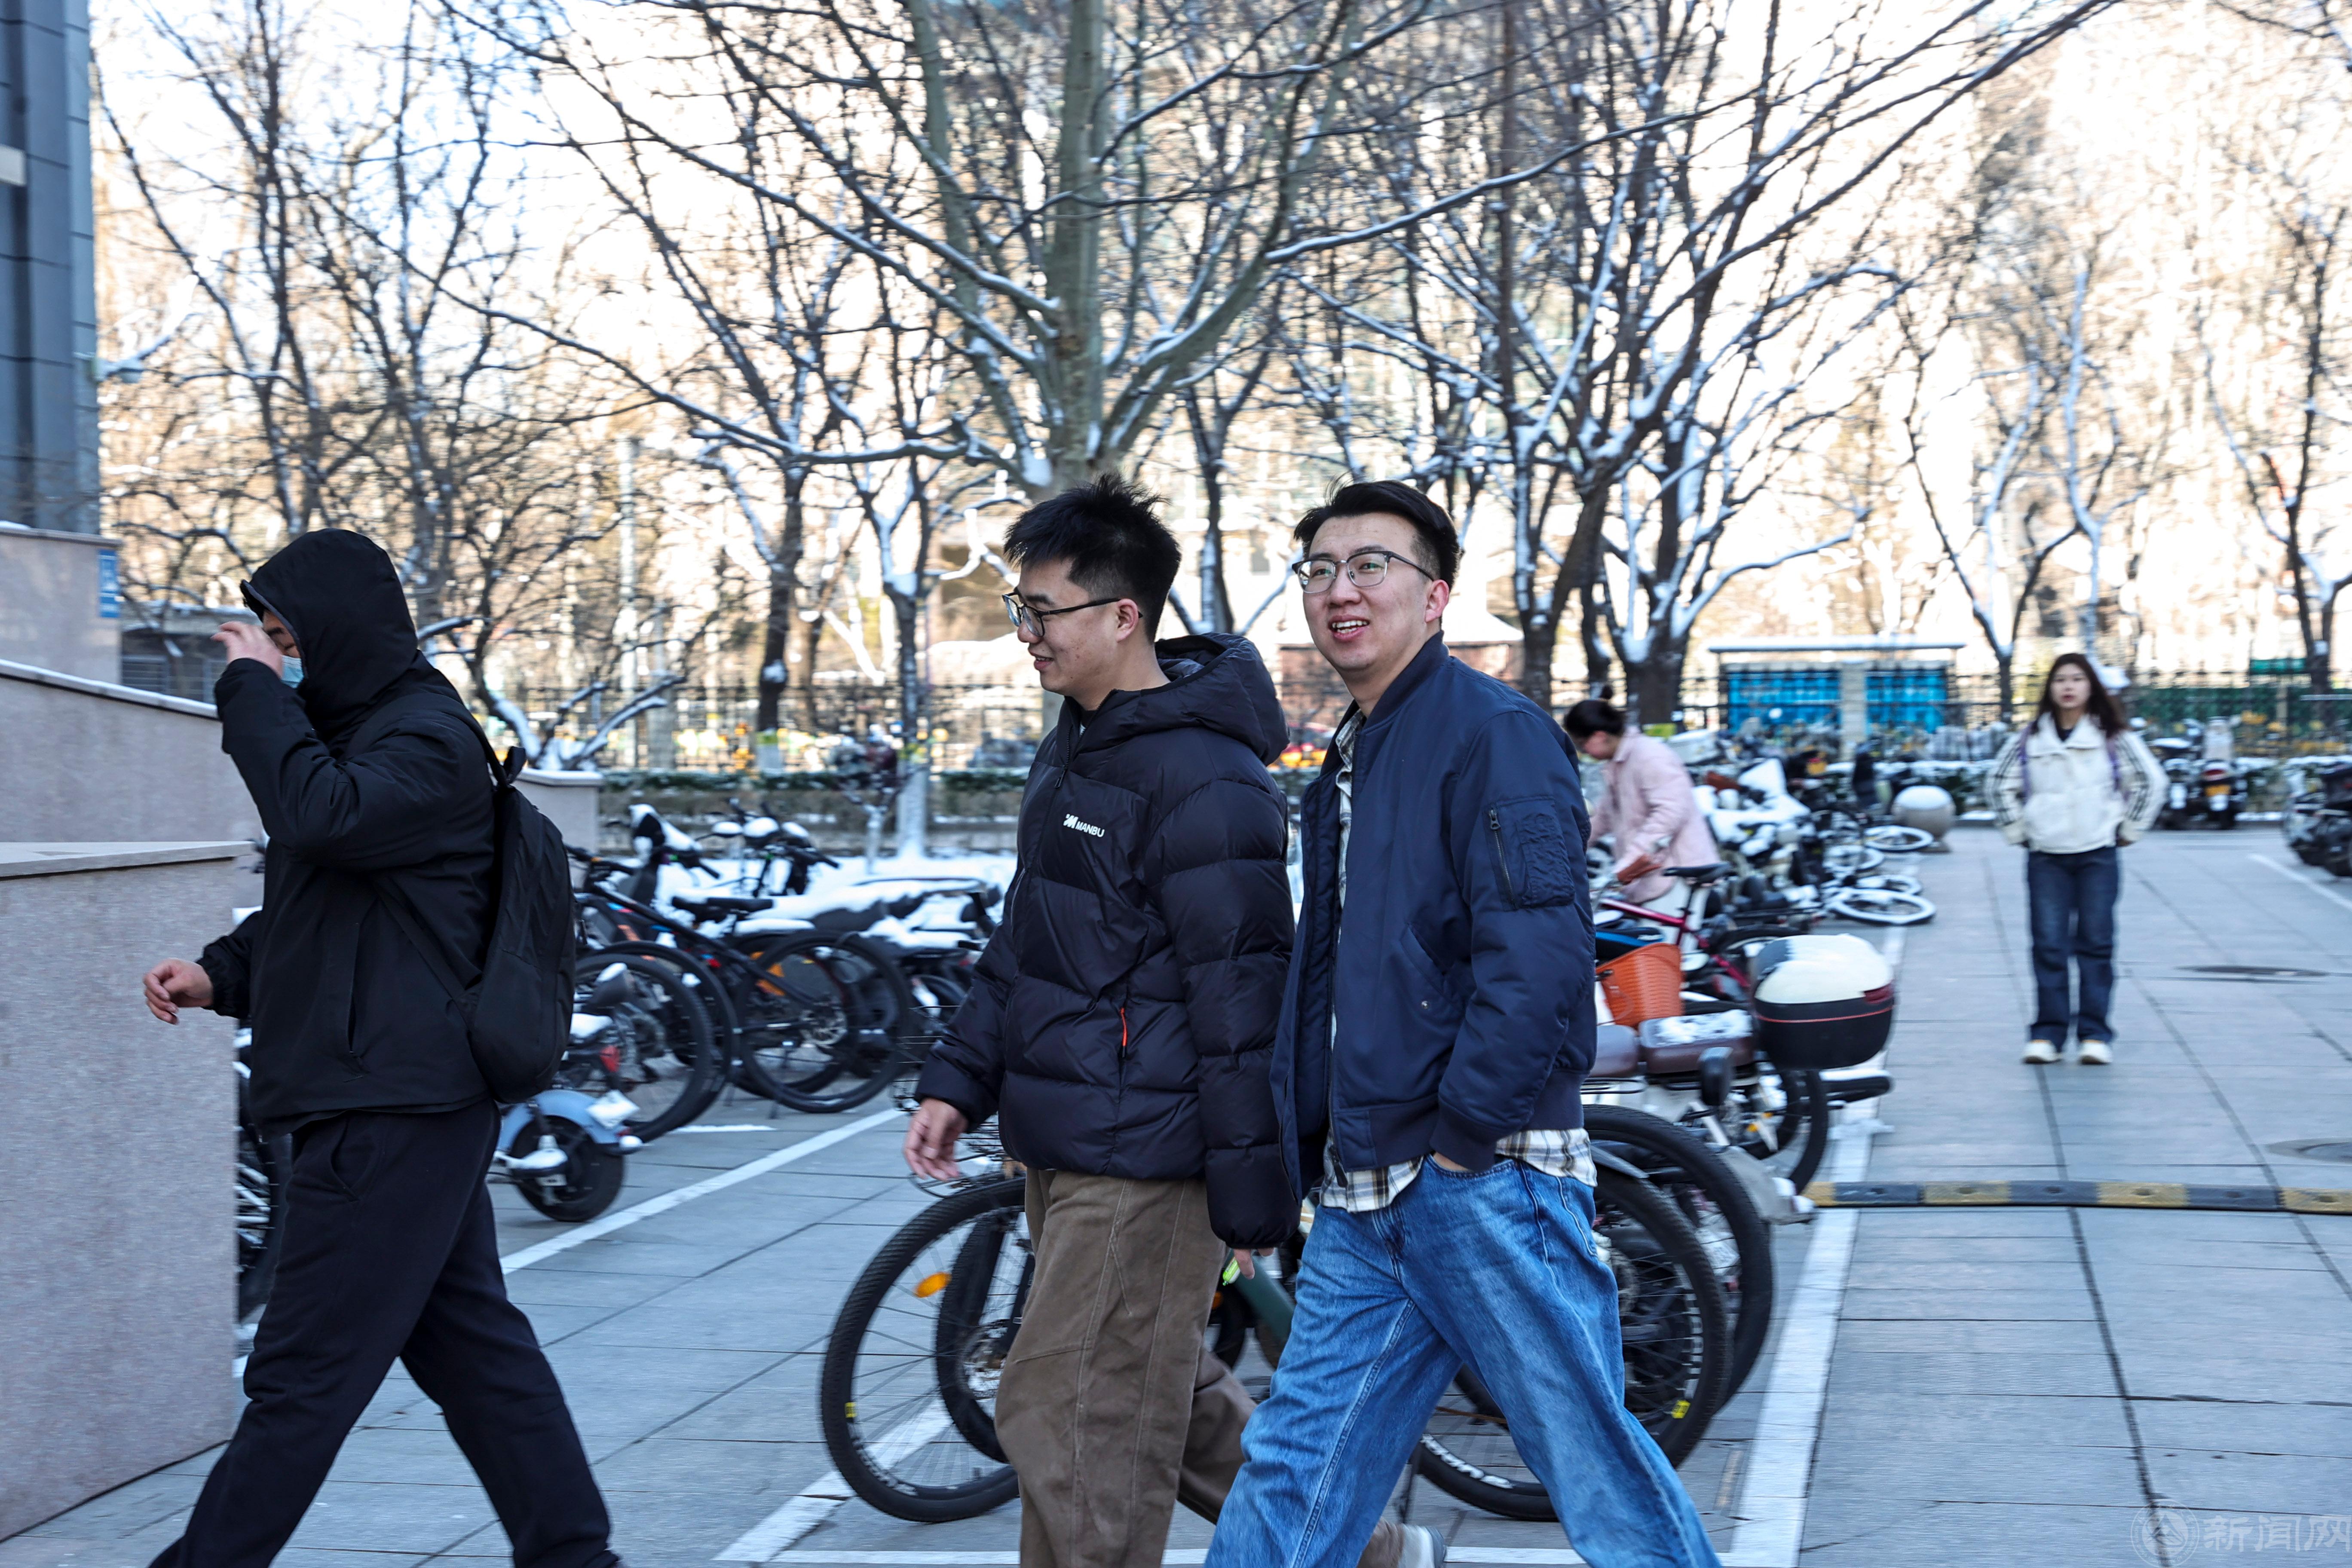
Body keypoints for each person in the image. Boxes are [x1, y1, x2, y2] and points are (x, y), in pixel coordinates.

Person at [902, 476, 1439, 1568]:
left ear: (1121, 616)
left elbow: (1243, 1006)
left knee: (1071, 1420)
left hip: (1145, 1161)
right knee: (1157, 1392)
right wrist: (957, 1079)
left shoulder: (1207, 780)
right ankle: (1373, 1556)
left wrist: (1254, 1197)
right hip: (1067, 1142)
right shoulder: (1078, 745)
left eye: (1043, 610)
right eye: (1020, 608)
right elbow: (1030, 939)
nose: (1027, 632)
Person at [1207, 481, 1720, 1568]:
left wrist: (1463, 1136)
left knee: (1593, 1469)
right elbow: (1336, 974)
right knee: (1294, 1473)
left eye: (1371, 566)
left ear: (1435, 597)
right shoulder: (1352, 754)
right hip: (1366, 1191)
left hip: (1481, 1180)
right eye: (1319, 569)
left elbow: (1538, 955)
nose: (1339, 590)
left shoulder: (1495, 732)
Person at [138, 530, 617, 1568]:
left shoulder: (425, 739)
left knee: (302, 1379)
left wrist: (249, 690)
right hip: (398, 1096)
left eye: (285, 639)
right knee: (477, 1355)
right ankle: (574, 1553)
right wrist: (222, 973)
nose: (274, 656)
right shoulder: (367, 737)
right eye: (267, 641)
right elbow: (336, 914)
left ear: (338, 633)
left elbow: (321, 821)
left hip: (388, 1106)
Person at [1989, 652, 2162, 1066]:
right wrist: (2019, 831)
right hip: (2046, 858)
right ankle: (2047, 1035)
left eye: (2077, 679)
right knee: (2049, 945)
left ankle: (2095, 1035)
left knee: (2096, 944)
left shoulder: (2113, 736)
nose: (2068, 687)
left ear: (2091, 687)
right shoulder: (2031, 738)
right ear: (2050, 688)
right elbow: (1997, 784)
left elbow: (2151, 782)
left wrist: (2129, 829)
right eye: (2061, 679)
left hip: (2097, 856)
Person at [1564, 698, 1718, 905]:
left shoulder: (1648, 757)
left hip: (1676, 875)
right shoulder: (1620, 763)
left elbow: (1670, 813)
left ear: (1600, 736)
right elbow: (1603, 817)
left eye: (1583, 745)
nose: (1584, 752)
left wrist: (1630, 862)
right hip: (1651, 876)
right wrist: (1568, 849)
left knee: (1652, 930)